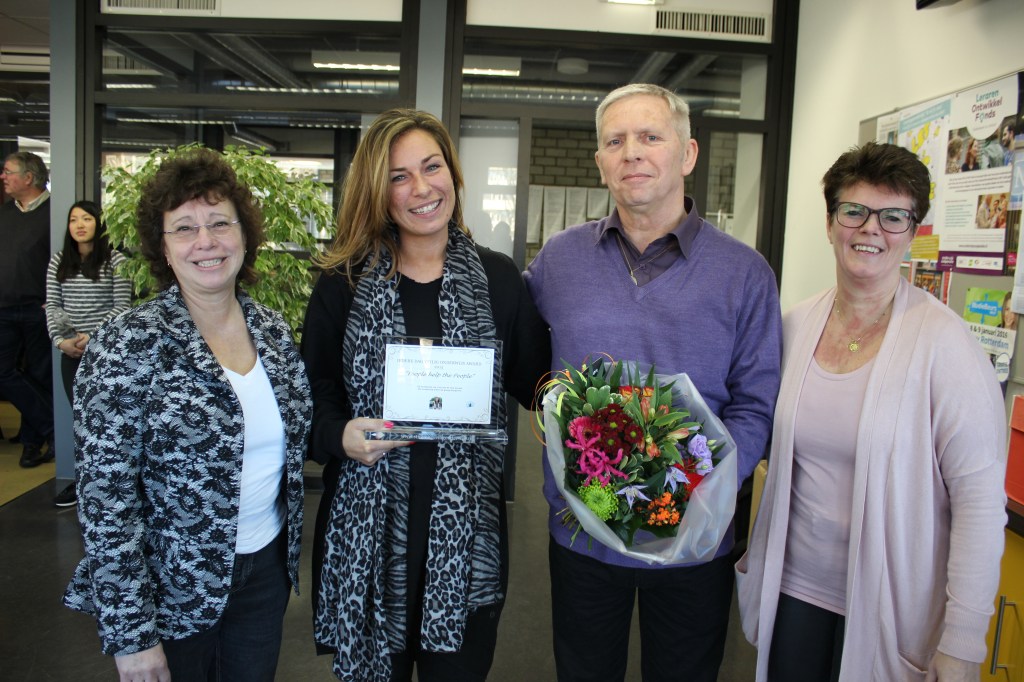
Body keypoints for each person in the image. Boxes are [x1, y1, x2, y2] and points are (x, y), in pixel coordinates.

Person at [524, 83, 782, 682]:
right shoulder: (559, 261)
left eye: (649, 137)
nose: (631, 153)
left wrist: (695, 489)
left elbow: (755, 403)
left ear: (687, 154)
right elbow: (528, 361)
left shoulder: (744, 274)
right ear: (601, 163)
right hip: (584, 534)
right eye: (615, 141)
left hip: (695, 539)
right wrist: (555, 427)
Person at [736, 142, 1007, 682]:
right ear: (832, 222)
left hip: (893, 609)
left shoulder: (947, 348)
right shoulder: (793, 326)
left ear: (913, 229)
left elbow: (979, 507)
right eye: (854, 211)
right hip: (795, 592)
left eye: (893, 216)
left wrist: (962, 645)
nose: (870, 230)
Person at [303, 108, 550, 682]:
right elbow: (312, 393)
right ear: (376, 190)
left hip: (466, 548)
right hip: (367, 537)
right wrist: (339, 434)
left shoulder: (497, 280)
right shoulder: (343, 283)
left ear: (453, 175)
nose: (421, 188)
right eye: (398, 176)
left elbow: (536, 381)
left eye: (431, 167)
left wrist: (599, 408)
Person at [62, 148, 312, 682]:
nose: (207, 241)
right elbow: (106, 503)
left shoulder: (271, 332)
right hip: (170, 587)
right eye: (184, 228)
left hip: (264, 572)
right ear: (164, 249)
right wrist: (133, 635)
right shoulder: (127, 345)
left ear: (244, 234)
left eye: (220, 222)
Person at [46, 200, 132, 507]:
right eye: (73, 220)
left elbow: (123, 305)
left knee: (109, 420)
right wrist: (61, 341)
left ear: (99, 223)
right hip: (70, 352)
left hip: (105, 351)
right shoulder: (59, 261)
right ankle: (82, 483)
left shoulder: (116, 260)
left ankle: (114, 484)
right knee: (80, 421)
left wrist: (92, 336)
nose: (79, 224)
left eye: (86, 218)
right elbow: (53, 306)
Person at [0, 151, 54, 468]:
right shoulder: (6, 214)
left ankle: (32, 443)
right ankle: (50, 427)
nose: (3, 177)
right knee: (4, 372)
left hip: (38, 308)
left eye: (8, 171)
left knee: (39, 374)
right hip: (4, 307)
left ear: (28, 178)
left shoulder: (54, 212)